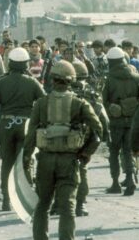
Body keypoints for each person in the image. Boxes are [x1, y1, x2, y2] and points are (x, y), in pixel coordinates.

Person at [23, 60, 102, 240]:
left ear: (52, 80)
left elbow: (30, 136)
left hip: (45, 160)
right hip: (70, 160)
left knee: (42, 204)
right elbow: (98, 130)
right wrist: (86, 153)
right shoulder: (79, 103)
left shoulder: (41, 104)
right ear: (71, 80)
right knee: (68, 207)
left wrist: (26, 160)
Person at [0, 47, 46, 211]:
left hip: (6, 126)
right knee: (25, 163)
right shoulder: (32, 82)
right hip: (26, 126)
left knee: (7, 164)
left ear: (9, 63)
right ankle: (24, 199)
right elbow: (45, 103)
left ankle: (5, 199)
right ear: (26, 64)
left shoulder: (2, 82)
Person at [70, 61, 109, 216]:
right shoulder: (92, 93)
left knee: (60, 171)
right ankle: (80, 205)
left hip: (64, 137)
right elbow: (103, 120)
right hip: (86, 138)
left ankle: (59, 204)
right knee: (81, 169)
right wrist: (103, 137)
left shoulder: (60, 91)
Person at [102, 46, 139, 196]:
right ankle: (130, 180)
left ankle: (115, 183)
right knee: (128, 151)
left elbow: (104, 101)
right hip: (132, 121)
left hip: (116, 122)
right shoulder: (136, 77)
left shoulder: (109, 79)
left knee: (114, 152)